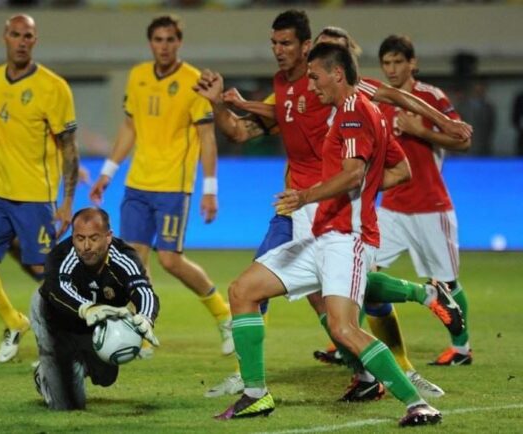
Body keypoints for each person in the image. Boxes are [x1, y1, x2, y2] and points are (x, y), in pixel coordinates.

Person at [198, 17, 462, 399]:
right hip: (295, 206)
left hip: (334, 206)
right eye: (274, 43)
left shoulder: (349, 98)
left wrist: (443, 124)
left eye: (286, 43)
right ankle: (254, 378)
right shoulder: (283, 89)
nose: (278, 50)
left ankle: (402, 367)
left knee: (349, 294)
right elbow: (241, 130)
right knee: (266, 287)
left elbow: (395, 97)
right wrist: (220, 103)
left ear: (309, 51)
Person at [89, 15, 232, 357]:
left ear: (179, 42)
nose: (164, 46)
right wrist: (107, 172)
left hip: (173, 186)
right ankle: (143, 331)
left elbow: (207, 137)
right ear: (150, 43)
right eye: (158, 39)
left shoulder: (194, 81)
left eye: (170, 40)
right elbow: (129, 128)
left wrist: (210, 189)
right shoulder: (138, 76)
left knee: (170, 260)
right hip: (137, 183)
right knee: (134, 263)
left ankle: (223, 315)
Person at [0, 14, 79, 363]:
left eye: (28, 36)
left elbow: (69, 148)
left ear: (35, 41)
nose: (22, 41)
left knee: (45, 272)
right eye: (15, 34)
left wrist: (67, 201)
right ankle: (14, 321)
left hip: (34, 195)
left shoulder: (54, 87)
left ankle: (73, 338)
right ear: (4, 37)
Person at [364, 35, 472, 367]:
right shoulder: (379, 102)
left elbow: (463, 141)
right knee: (362, 272)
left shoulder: (431, 97)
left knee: (446, 283)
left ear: (413, 63)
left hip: (430, 206)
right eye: (386, 63)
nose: (392, 69)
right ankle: (350, 340)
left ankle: (462, 349)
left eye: (398, 62)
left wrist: (421, 131)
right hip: (391, 208)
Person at [31, 207, 160, 410]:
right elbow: (59, 290)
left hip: (96, 321)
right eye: (80, 238)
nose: (86, 246)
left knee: (106, 376)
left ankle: (71, 365)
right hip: (54, 317)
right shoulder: (61, 256)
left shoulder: (124, 257)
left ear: (108, 237)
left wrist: (146, 316)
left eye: (94, 238)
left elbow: (143, 290)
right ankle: (48, 373)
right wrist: (87, 308)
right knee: (68, 406)